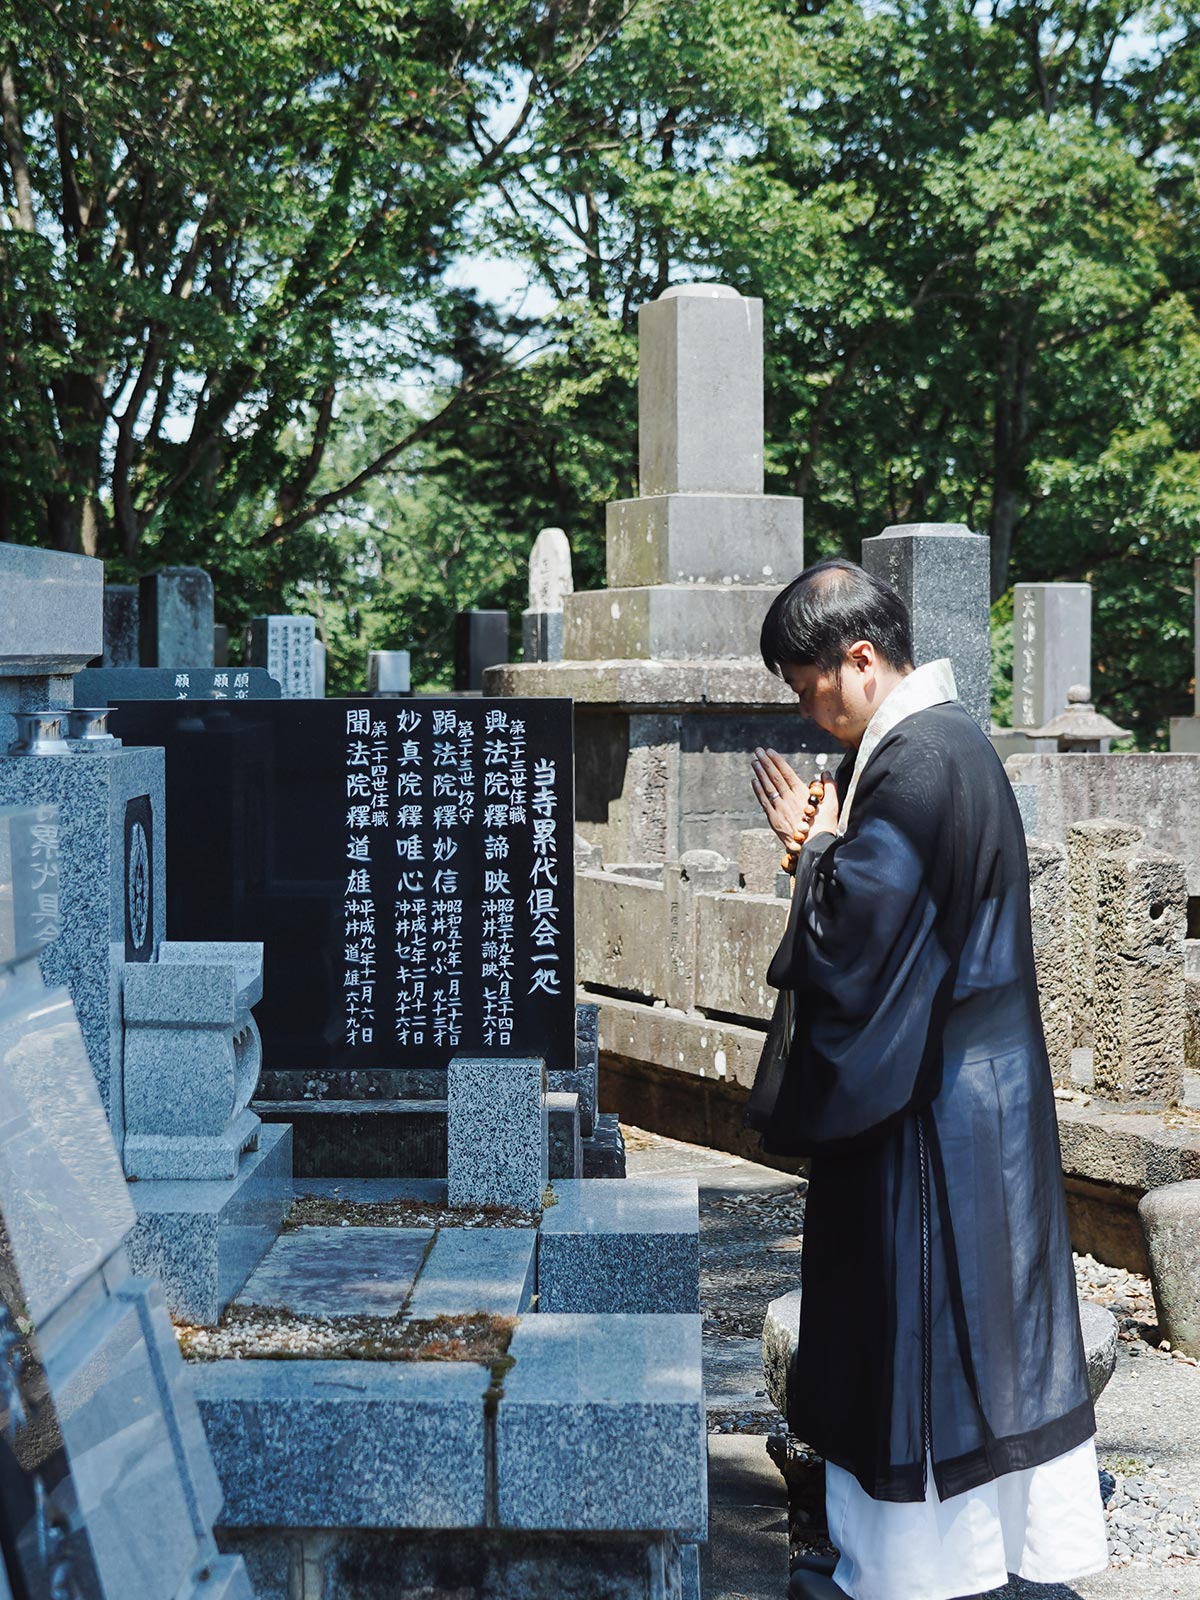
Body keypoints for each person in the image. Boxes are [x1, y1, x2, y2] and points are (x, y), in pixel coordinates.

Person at [745, 558, 1108, 1600]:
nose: (806, 710)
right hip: (974, 1092)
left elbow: (857, 936)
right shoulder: (944, 746)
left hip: (928, 1105)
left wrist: (810, 849)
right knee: (979, 1334)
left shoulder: (912, 764)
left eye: (807, 683)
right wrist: (829, 845)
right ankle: (988, 1560)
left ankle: (904, 1573)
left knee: (912, 1333)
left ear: (860, 659)